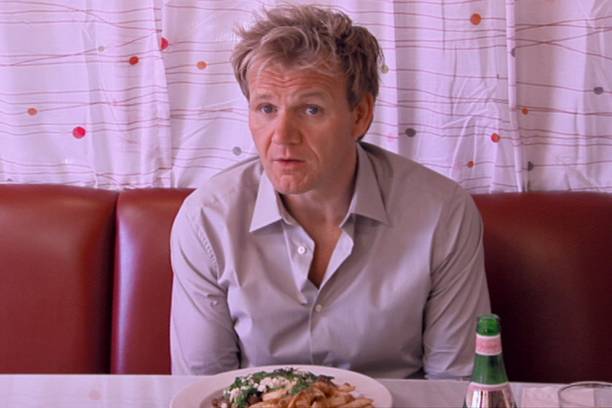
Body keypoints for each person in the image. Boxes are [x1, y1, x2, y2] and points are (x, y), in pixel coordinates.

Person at [170, 4, 490, 380]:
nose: (282, 136)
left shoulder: (443, 213)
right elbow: (202, 388)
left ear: (360, 115)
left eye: (311, 110)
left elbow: (454, 386)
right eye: (267, 108)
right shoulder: (207, 220)